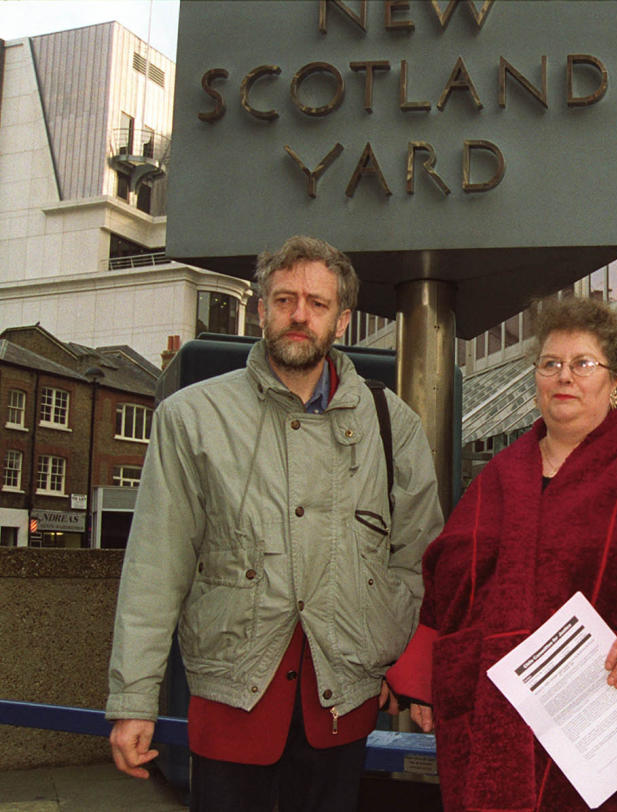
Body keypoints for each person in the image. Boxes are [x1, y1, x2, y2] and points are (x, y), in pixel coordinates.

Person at [105, 236, 444, 812]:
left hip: (343, 701)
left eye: (317, 302)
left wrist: (397, 658)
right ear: (261, 310)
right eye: (284, 299)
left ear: (342, 319)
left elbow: (419, 558)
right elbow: (155, 569)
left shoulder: (393, 424)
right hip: (231, 698)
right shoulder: (191, 418)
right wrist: (133, 699)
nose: (299, 315)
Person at [387, 296, 617, 811]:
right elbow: (448, 573)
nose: (565, 376)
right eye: (551, 364)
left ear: (614, 385)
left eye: (583, 364)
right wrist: (420, 681)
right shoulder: (500, 473)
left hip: (607, 708)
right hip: (497, 714)